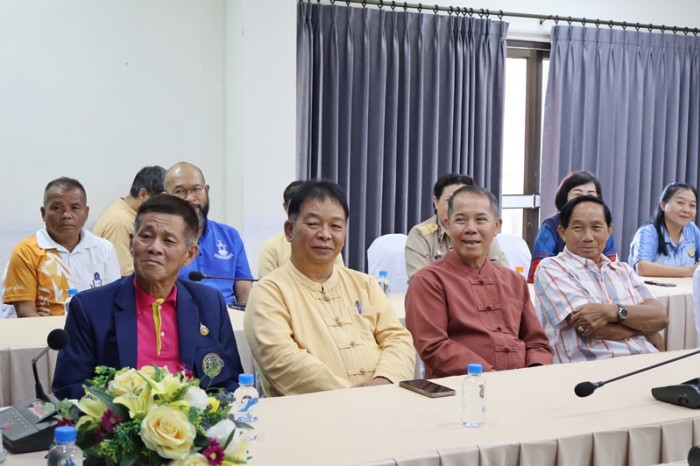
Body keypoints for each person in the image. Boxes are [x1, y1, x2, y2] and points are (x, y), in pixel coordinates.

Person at [52, 194, 244, 400]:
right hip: (120, 418)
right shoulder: (90, 308)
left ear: (189, 254)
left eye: (168, 240)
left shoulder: (209, 303)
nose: (154, 248)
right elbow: (70, 389)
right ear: (131, 243)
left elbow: (230, 382)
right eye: (146, 236)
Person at [244, 180, 415, 396]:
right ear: (289, 230)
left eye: (336, 226)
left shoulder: (365, 284)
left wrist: (385, 381)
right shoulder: (269, 292)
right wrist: (356, 396)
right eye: (313, 224)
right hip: (312, 412)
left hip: (384, 401)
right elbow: (283, 361)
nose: (325, 234)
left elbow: (398, 339)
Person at [405, 185, 552, 377]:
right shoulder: (428, 281)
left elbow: (537, 343)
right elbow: (434, 346)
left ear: (496, 226)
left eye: (481, 220)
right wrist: (491, 377)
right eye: (461, 220)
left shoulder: (514, 280)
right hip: (462, 388)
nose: (471, 229)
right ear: (447, 225)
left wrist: (535, 374)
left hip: (522, 385)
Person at [534, 196, 668, 363]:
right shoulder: (552, 268)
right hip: (595, 369)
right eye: (578, 228)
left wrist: (612, 312)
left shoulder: (623, 270)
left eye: (596, 227)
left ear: (609, 230)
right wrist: (647, 329)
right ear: (562, 232)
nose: (588, 237)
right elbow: (591, 327)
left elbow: (660, 316)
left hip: (648, 362)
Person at [3, 177, 120, 317]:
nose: (66, 215)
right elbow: (25, 312)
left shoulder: (104, 249)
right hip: (42, 329)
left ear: (86, 212)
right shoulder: (25, 252)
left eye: (75, 208)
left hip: (92, 329)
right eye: (56, 208)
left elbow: (114, 302)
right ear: (43, 213)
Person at [164, 162, 253, 305]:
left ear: (206, 190)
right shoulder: (160, 241)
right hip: (180, 312)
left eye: (196, 189)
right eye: (180, 191)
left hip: (227, 313)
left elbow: (245, 292)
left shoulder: (230, 236)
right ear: (165, 197)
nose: (190, 198)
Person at [405, 173, 508, 279]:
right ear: (436, 202)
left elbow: (503, 276)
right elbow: (421, 281)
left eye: (465, 201)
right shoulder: (421, 234)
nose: (457, 206)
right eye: (450, 201)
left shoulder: (481, 232)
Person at [528, 170, 617, 283]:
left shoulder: (602, 226)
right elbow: (539, 270)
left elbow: (611, 267)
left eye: (590, 195)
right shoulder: (551, 226)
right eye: (577, 195)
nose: (584, 200)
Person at [258, 180, 343, 278]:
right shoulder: (271, 247)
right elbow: (267, 283)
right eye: (312, 223)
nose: (324, 235)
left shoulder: (327, 246)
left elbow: (339, 278)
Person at [93, 165, 166, 276]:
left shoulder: (131, 214)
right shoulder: (120, 222)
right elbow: (123, 274)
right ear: (143, 194)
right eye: (161, 201)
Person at [628, 182, 700, 277]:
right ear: (663, 204)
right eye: (680, 203)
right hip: (649, 287)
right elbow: (642, 268)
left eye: (692, 205)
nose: (686, 210)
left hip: (685, 286)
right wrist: (689, 271)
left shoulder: (691, 229)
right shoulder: (648, 232)